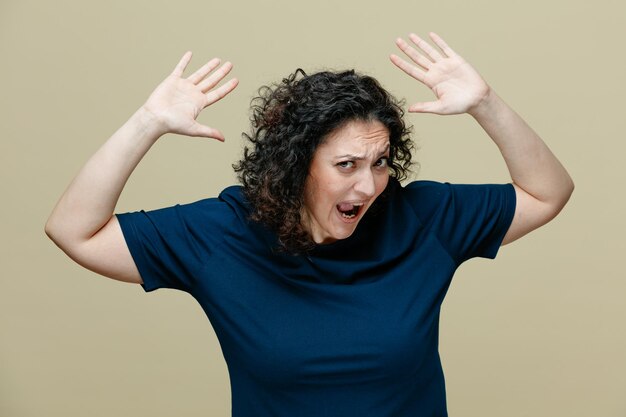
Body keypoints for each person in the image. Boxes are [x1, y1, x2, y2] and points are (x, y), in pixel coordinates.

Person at [45, 32, 574, 416]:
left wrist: (485, 104)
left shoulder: (424, 220)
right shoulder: (221, 235)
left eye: (381, 162)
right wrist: (148, 123)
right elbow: (74, 229)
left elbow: (548, 192)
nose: (368, 186)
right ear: (296, 167)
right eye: (346, 165)